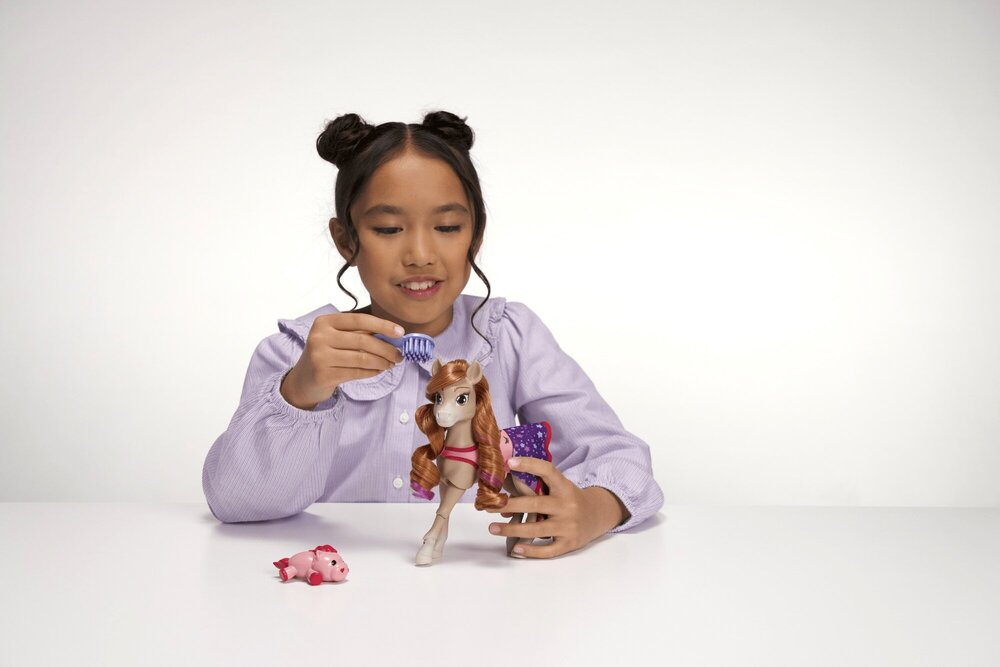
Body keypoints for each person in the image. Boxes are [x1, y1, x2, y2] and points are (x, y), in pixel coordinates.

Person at [202, 110, 664, 559]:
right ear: (346, 240)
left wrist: (595, 509)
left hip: (477, 591)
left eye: (447, 227)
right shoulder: (300, 351)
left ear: (475, 235)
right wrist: (301, 392)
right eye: (388, 228)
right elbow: (237, 503)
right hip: (339, 589)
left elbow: (618, 454)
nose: (420, 254)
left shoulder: (510, 335)